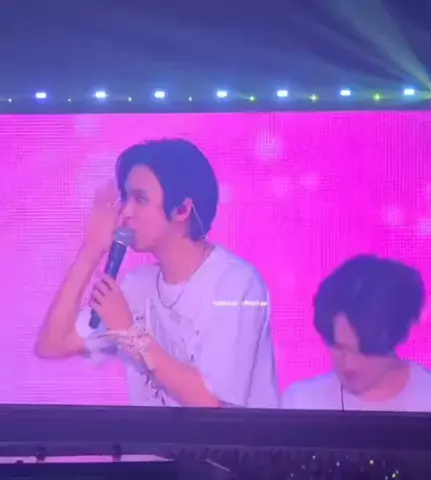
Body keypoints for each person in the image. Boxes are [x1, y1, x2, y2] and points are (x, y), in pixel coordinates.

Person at [36, 139, 279, 408]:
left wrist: (130, 333)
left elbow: (211, 401)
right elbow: (53, 343)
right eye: (126, 198)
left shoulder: (236, 284)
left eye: (140, 199)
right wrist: (90, 251)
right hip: (149, 438)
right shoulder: (136, 286)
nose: (126, 212)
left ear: (182, 209)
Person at [281, 255, 431, 412]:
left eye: (364, 351)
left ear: (396, 336)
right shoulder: (301, 401)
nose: (349, 365)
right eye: (339, 347)